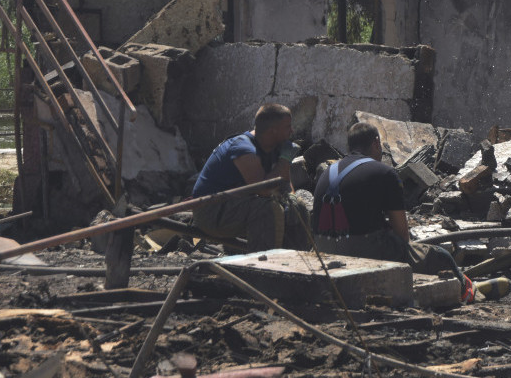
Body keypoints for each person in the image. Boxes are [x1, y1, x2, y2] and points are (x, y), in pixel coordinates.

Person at [310, 120, 471, 298]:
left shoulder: (328, 171)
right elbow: (402, 236)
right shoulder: (385, 173)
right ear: (376, 143)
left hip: (323, 248)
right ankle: (467, 290)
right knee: (440, 256)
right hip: (362, 250)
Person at [191, 103, 302, 251]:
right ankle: (263, 267)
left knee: (299, 208)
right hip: (211, 212)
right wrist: (285, 160)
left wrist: (291, 198)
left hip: (237, 205)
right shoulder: (243, 148)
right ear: (273, 131)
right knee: (267, 209)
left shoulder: (275, 147)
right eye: (287, 127)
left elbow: (284, 182)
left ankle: (296, 264)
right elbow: (263, 190)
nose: (292, 131)